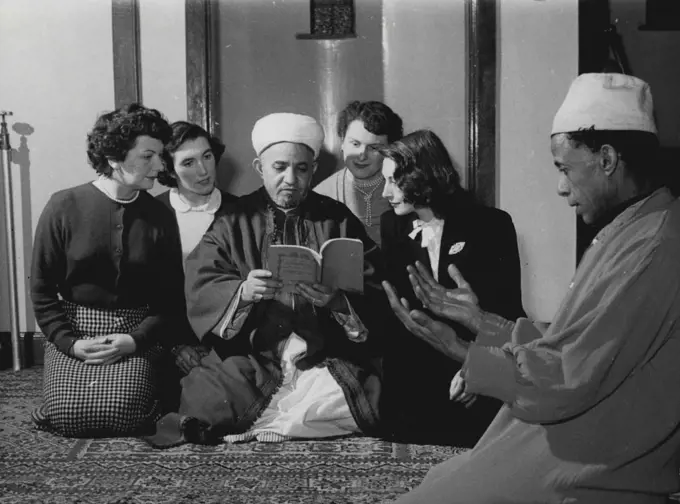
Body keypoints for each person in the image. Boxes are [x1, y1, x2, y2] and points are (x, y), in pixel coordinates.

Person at [385, 74, 680, 503]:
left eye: (564, 169)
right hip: (575, 428)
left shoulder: (650, 247)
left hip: (591, 453)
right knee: (441, 480)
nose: (561, 188)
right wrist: (481, 322)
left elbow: (566, 379)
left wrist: (461, 350)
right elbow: (575, 345)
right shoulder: (635, 227)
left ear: (608, 159)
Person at [144, 112, 386, 447]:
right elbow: (206, 282)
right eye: (279, 168)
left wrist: (337, 301)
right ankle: (295, 422)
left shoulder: (338, 218)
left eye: (302, 168)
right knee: (208, 400)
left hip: (325, 351)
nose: (291, 178)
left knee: (375, 397)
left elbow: (373, 286)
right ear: (260, 168)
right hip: (255, 353)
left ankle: (272, 424)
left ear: (313, 169)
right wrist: (243, 293)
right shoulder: (233, 220)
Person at [30, 103, 190, 437]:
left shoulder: (161, 217)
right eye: (148, 156)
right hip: (75, 328)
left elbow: (171, 300)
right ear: (115, 156)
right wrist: (70, 343)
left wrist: (135, 340)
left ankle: (150, 390)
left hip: (136, 331)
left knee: (119, 412)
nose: (160, 166)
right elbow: (42, 290)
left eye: (161, 156)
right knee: (68, 416)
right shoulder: (62, 206)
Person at [378, 129, 525, 447]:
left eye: (394, 181)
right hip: (417, 367)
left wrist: (478, 369)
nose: (385, 193)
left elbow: (505, 310)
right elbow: (399, 315)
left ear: (421, 176)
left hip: (471, 360)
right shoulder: (392, 225)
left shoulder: (492, 225)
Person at [314, 100, 403, 246]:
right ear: (342, 142)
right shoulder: (321, 194)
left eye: (374, 148)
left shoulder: (406, 189)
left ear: (390, 150)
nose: (362, 155)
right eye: (355, 144)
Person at [156, 121, 238, 264]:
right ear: (170, 171)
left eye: (207, 157)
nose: (203, 171)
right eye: (188, 163)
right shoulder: (153, 212)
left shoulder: (240, 210)